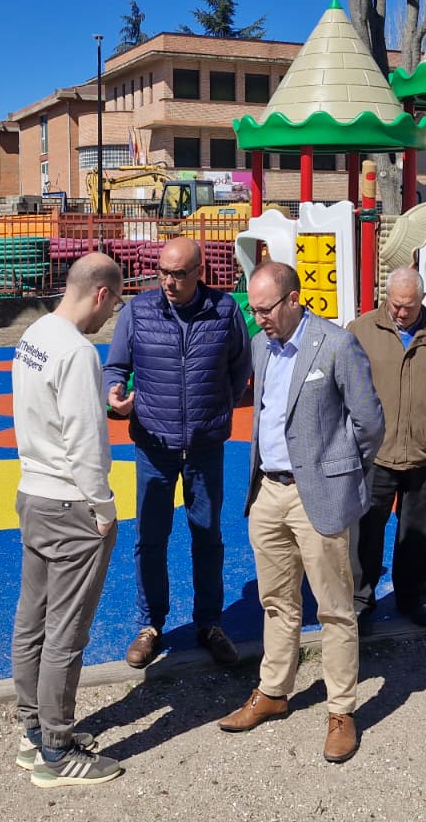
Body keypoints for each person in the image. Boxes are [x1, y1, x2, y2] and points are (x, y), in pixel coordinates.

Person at [218, 261, 385, 764]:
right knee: (276, 602)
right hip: (268, 491)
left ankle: (340, 710)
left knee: (334, 608)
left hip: (320, 495)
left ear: (294, 300)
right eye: (254, 308)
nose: (258, 317)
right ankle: (273, 691)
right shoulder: (261, 346)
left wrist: (337, 468)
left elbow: (370, 421)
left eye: (266, 308)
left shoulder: (335, 344)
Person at [103, 236, 251, 669]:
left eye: (179, 274)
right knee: (151, 538)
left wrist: (216, 406)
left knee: (207, 536)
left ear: (199, 272)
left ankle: (209, 623)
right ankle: (150, 625)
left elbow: (240, 367)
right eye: (163, 272)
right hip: (154, 445)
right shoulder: (138, 311)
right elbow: (115, 368)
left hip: (205, 447)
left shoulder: (224, 311)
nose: (168, 281)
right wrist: (114, 393)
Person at [10, 252, 126, 789]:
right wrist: (103, 509)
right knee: (66, 631)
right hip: (70, 503)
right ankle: (56, 751)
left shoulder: (35, 333)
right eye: (116, 302)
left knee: (32, 616)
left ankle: (33, 728)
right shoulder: (79, 352)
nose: (113, 315)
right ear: (100, 293)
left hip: (32, 490)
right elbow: (86, 440)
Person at [346, 266, 426, 632]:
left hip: (423, 453)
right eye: (395, 305)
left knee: (416, 534)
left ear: (423, 300)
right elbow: (342, 386)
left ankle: (412, 599)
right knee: (367, 531)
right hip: (376, 455)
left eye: (409, 306)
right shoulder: (361, 331)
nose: (401, 312)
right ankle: (361, 600)